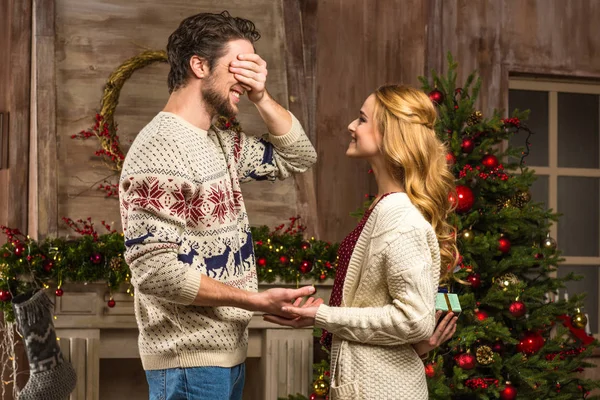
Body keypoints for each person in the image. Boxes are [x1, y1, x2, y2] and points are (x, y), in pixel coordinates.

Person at [118, 11, 320, 400]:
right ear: (199, 65)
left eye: (253, 70)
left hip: (224, 357)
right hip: (189, 363)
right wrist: (253, 301)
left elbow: (299, 157)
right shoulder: (160, 148)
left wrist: (262, 96)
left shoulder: (220, 141)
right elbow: (155, 272)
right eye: (239, 67)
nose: (247, 80)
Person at [264, 85, 459, 399]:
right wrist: (317, 319)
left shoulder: (400, 218)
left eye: (362, 119)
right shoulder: (382, 207)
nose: (351, 126)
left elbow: (415, 320)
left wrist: (321, 315)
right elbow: (376, 309)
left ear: (390, 134)